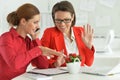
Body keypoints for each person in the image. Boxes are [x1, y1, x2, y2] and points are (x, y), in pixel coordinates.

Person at [0, 3, 64, 80]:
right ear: (23, 21)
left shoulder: (28, 41)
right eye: (35, 22)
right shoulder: (6, 38)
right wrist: (38, 50)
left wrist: (35, 40)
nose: (38, 26)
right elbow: (14, 64)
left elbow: (43, 65)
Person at [40, 1, 95, 68]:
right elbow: (39, 59)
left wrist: (89, 47)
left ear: (72, 17)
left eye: (66, 20)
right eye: (58, 20)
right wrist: (55, 64)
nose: (62, 24)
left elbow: (89, 63)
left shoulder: (81, 32)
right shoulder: (49, 33)